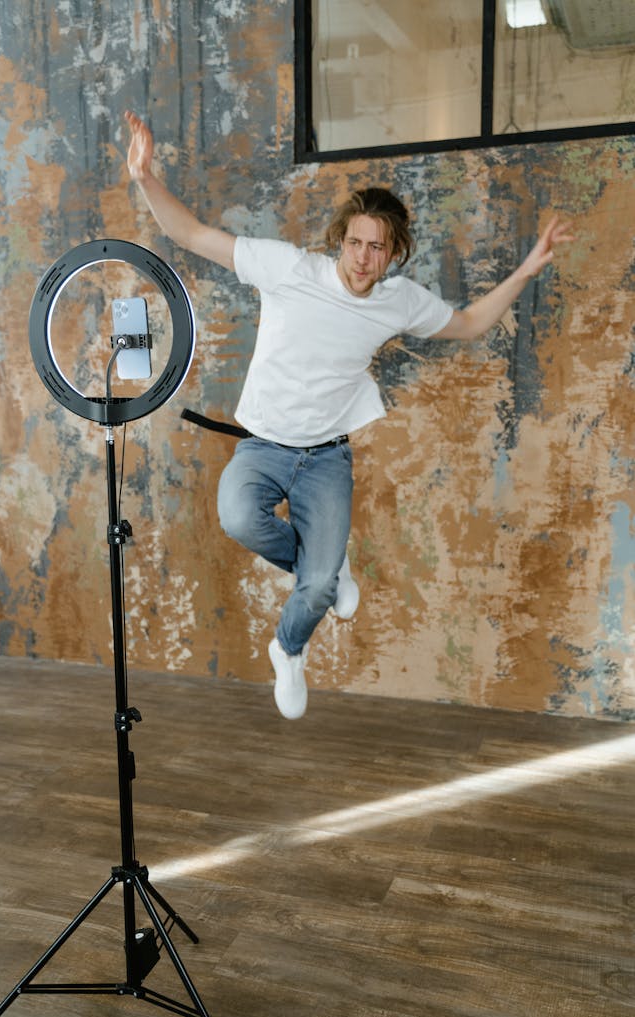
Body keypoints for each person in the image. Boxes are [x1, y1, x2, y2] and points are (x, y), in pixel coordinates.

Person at [124, 110, 574, 720]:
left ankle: (289, 646)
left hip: (326, 459)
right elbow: (195, 235)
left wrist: (525, 269)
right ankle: (329, 572)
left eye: (377, 248)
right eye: (356, 243)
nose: (363, 258)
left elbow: (469, 325)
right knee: (238, 518)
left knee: (311, 589)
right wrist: (146, 177)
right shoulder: (289, 270)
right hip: (263, 447)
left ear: (392, 255)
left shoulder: (399, 302)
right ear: (342, 239)